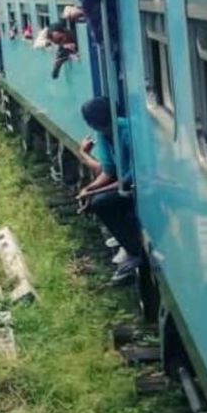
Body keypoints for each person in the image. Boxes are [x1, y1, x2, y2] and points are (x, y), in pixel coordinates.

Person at [75, 97, 143, 285]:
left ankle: (134, 250)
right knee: (95, 199)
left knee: (100, 203)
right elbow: (108, 171)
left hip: (140, 182)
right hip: (127, 182)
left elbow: (131, 176)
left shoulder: (128, 130)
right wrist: (88, 189)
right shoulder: (103, 134)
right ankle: (125, 241)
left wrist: (93, 193)